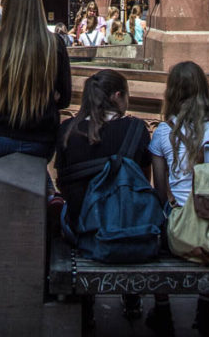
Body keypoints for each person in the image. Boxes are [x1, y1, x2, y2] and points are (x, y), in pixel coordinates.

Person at [149, 60, 209, 337]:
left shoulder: (165, 132)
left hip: (180, 235)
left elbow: (159, 189)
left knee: (158, 220)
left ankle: (163, 309)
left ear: (172, 92)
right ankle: (205, 309)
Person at [55, 70, 150, 326]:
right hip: (128, 227)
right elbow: (144, 184)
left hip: (82, 229)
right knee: (124, 210)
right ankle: (131, 295)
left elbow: (61, 184)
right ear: (118, 96)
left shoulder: (66, 130)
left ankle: (86, 302)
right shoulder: (136, 129)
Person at [0, 0, 71, 167]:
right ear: (39, 7)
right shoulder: (54, 44)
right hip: (40, 135)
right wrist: (48, 96)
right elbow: (65, 98)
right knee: (33, 190)